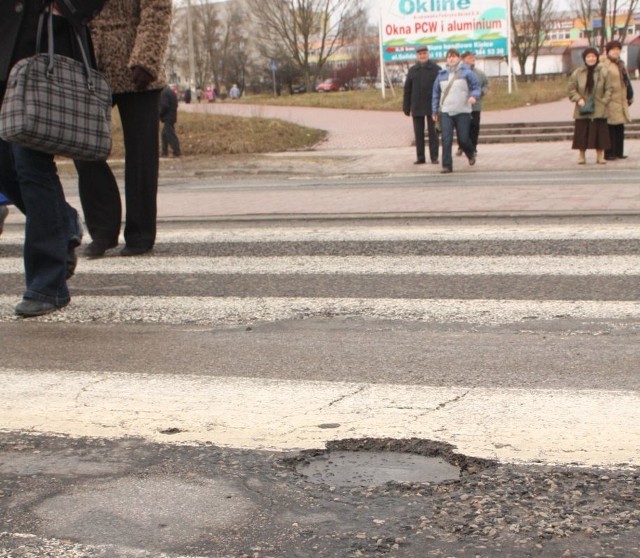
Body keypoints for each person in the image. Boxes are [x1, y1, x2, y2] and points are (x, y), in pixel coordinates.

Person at [0, 0, 104, 317]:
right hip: (5, 44)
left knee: (31, 163)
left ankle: (47, 283)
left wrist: (67, 7)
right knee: (5, 167)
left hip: (45, 44)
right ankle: (64, 221)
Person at [74, 0, 173, 259]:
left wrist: (146, 59)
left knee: (141, 156)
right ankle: (102, 231)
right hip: (88, 64)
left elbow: (157, 9)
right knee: (84, 149)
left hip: (136, 65)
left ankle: (140, 233)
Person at [432, 48, 481, 174]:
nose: (451, 59)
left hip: (463, 111)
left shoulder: (467, 72)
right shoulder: (441, 75)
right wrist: (434, 111)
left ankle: (470, 153)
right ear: (446, 59)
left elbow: (476, 87)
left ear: (459, 58)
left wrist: (473, 96)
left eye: (453, 56)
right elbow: (436, 94)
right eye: (449, 57)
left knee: (463, 139)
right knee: (446, 139)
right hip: (446, 112)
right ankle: (447, 166)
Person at [568, 47, 612, 165]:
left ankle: (600, 156)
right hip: (583, 107)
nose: (591, 59)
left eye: (593, 56)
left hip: (599, 106)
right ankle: (581, 156)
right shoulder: (578, 72)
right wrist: (578, 99)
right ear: (584, 58)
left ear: (597, 58)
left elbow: (609, 88)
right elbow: (571, 89)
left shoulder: (603, 71)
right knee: (582, 132)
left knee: (600, 133)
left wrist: (604, 100)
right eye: (588, 57)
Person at [403, 46, 441, 165]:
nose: (422, 56)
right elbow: (407, 89)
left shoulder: (436, 69)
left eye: (424, 53)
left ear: (428, 54)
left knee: (433, 133)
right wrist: (406, 106)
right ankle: (420, 157)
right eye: (420, 54)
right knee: (418, 134)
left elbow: (441, 88)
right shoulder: (412, 70)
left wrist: (440, 105)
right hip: (417, 105)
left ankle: (434, 157)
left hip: (432, 106)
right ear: (417, 56)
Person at [601, 40, 633, 160]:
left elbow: (626, 81)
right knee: (610, 127)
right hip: (610, 100)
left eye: (618, 49)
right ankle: (609, 153)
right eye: (613, 49)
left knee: (620, 126)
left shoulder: (621, 64)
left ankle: (619, 152)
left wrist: (630, 95)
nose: (616, 51)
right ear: (608, 51)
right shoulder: (604, 64)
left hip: (621, 99)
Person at [457, 51, 489, 157]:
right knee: (462, 127)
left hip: (475, 105)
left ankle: (473, 148)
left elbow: (486, 85)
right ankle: (461, 146)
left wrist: (481, 92)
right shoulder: (458, 72)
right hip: (461, 105)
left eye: (473, 57)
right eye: (470, 57)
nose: (472, 59)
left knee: (474, 126)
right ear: (463, 59)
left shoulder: (479, 73)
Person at [160, 85, 181, 158]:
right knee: (164, 134)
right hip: (172, 116)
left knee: (170, 135)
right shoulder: (171, 92)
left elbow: (164, 105)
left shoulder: (164, 93)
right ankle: (164, 151)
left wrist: (159, 114)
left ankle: (176, 151)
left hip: (168, 117)